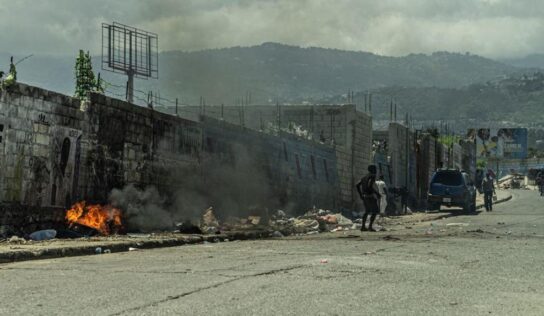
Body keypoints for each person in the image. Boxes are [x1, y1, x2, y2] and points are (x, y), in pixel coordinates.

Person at [356, 165, 381, 232]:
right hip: (370, 196)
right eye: (375, 169)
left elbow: (357, 185)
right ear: (372, 170)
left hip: (365, 196)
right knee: (375, 211)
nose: (376, 170)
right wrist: (377, 193)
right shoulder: (372, 176)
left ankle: (363, 226)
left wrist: (361, 195)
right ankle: (370, 226)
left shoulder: (364, 177)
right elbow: (370, 186)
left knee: (367, 211)